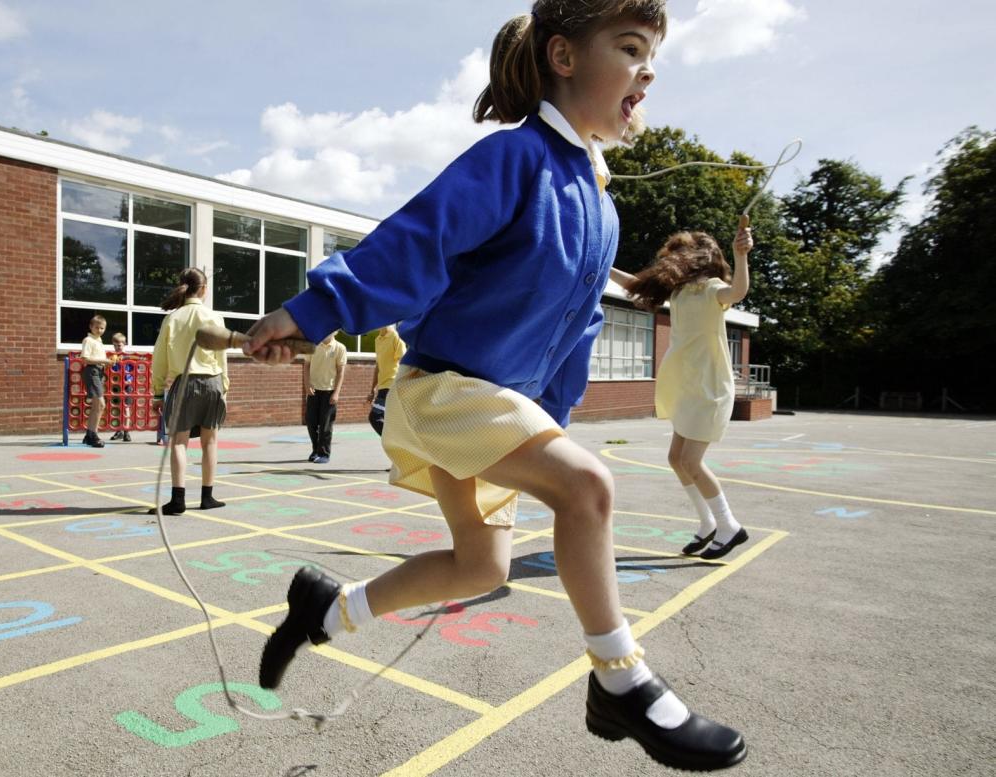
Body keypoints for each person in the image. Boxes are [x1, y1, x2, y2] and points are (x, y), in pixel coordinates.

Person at [239, 1, 745, 770]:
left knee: (482, 567)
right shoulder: (514, 159)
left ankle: (326, 609)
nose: (648, 68)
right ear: (564, 58)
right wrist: (315, 312)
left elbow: (575, 334)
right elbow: (418, 238)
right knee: (588, 489)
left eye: (653, 55)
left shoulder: (601, 209)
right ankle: (620, 678)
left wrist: (551, 423)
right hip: (447, 391)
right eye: (631, 47)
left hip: (500, 407)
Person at [610, 220, 754, 560]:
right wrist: (603, 264)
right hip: (689, 386)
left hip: (710, 388)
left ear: (697, 257)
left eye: (679, 252)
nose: (670, 258)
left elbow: (737, 293)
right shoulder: (679, 291)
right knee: (676, 459)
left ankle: (730, 526)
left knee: (691, 460)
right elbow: (635, 284)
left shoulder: (712, 288)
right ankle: (707, 524)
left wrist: (741, 255)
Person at [150, 268, 230, 514]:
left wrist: (158, 393)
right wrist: (224, 387)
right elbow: (221, 357)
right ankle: (208, 496)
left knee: (178, 442)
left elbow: (159, 360)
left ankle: (178, 500)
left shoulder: (172, 319)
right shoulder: (214, 317)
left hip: (184, 383)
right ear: (203, 289)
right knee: (210, 442)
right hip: (212, 382)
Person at [302, 332, 347, 464]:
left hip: (329, 391)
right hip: (313, 391)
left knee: (326, 425)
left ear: (336, 332)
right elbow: (306, 366)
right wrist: (307, 384)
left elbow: (341, 371)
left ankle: (324, 453)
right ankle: (316, 450)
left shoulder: (340, 348)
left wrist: (336, 392)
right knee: (311, 422)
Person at [79, 315, 115, 449]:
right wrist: (104, 361)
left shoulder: (99, 341)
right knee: (101, 404)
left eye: (102, 328)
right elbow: (85, 359)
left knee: (97, 405)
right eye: (97, 327)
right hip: (92, 371)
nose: (99, 330)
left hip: (99, 371)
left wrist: (108, 362)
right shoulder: (88, 340)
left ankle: (89, 434)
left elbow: (99, 359)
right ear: (91, 327)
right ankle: (93, 434)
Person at [366, 324, 406, 436]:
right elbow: (378, 366)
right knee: (388, 419)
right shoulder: (377, 340)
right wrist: (373, 388)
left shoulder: (395, 336)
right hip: (383, 386)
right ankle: (397, 444)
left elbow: (403, 361)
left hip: (392, 385)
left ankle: (395, 442)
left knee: (375, 417)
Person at [109, 332, 134, 442]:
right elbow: (111, 371)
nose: (117, 347)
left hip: (126, 385)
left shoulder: (128, 357)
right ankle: (119, 431)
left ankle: (126, 431)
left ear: (124, 344)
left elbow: (133, 371)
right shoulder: (113, 357)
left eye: (119, 345)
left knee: (126, 407)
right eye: (115, 345)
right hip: (116, 385)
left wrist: (129, 379)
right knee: (117, 408)